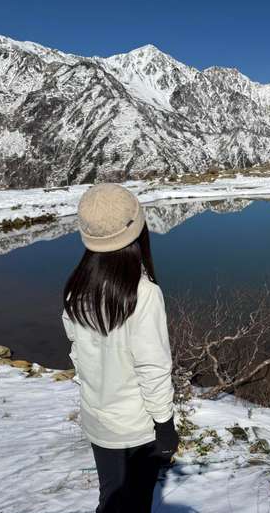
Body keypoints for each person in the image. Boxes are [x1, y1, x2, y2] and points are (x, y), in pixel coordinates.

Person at [62, 183, 178, 512]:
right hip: (135, 430)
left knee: (111, 498)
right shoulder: (143, 294)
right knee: (134, 504)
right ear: (137, 230)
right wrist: (165, 426)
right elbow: (152, 368)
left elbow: (77, 352)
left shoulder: (76, 287)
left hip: (97, 420)